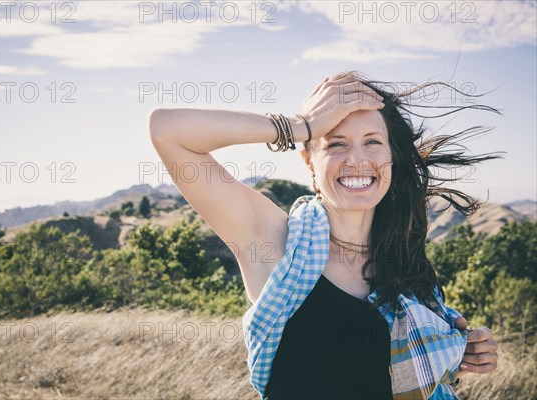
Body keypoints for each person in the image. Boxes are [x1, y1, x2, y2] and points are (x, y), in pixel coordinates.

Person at [149, 71, 499, 399]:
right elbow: (169, 130)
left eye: (373, 141)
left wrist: (463, 350)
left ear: (392, 156)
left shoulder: (408, 262)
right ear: (309, 162)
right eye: (336, 144)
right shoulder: (277, 245)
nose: (357, 160)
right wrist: (300, 126)